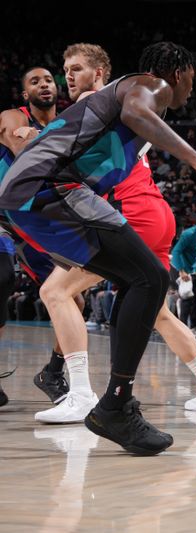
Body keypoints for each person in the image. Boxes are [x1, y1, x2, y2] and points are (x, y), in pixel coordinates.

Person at [0, 42, 196, 454]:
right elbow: (136, 112)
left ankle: (114, 401)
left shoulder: (114, 98)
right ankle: (112, 403)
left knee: (140, 282)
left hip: (30, 196)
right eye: (192, 80)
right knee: (148, 278)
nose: (190, 89)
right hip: (49, 187)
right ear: (180, 72)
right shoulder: (148, 86)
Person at [0, 67, 59, 407]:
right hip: (4, 217)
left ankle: (54, 372)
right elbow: (29, 158)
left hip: (39, 219)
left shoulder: (66, 122)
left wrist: (41, 137)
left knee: (73, 299)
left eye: (48, 80)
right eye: (34, 81)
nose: (43, 84)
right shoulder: (11, 116)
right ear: (25, 94)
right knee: (2, 279)